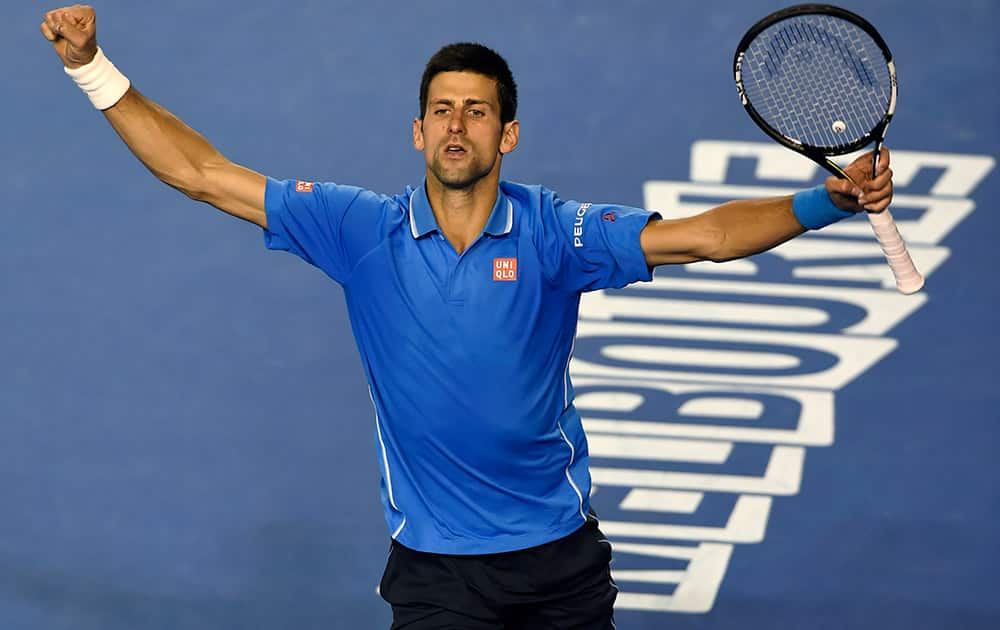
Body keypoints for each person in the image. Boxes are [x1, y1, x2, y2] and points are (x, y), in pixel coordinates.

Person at [41, 5, 894, 629]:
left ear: (507, 135)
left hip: (560, 563)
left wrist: (824, 200)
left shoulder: (556, 234)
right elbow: (200, 171)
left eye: (477, 111)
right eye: (443, 110)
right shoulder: (359, 230)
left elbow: (702, 237)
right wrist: (93, 69)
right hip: (438, 576)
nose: (458, 125)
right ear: (418, 132)